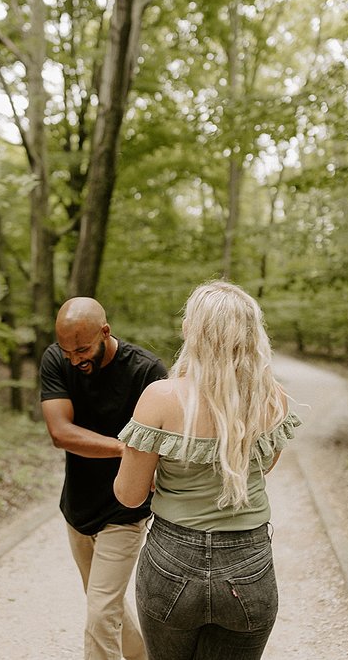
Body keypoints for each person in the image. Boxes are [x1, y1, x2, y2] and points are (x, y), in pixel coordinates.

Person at [113, 281, 301, 660]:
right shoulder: (272, 397)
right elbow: (262, 470)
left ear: (191, 331)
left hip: (172, 557)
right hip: (249, 562)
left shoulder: (160, 397)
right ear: (251, 334)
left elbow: (129, 495)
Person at [40, 297, 167, 660]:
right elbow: (60, 432)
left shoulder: (146, 371)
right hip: (78, 508)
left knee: (99, 613)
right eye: (67, 351)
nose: (74, 359)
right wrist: (124, 449)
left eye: (82, 349)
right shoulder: (56, 359)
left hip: (125, 509)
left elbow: (164, 443)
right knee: (104, 604)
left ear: (105, 332)